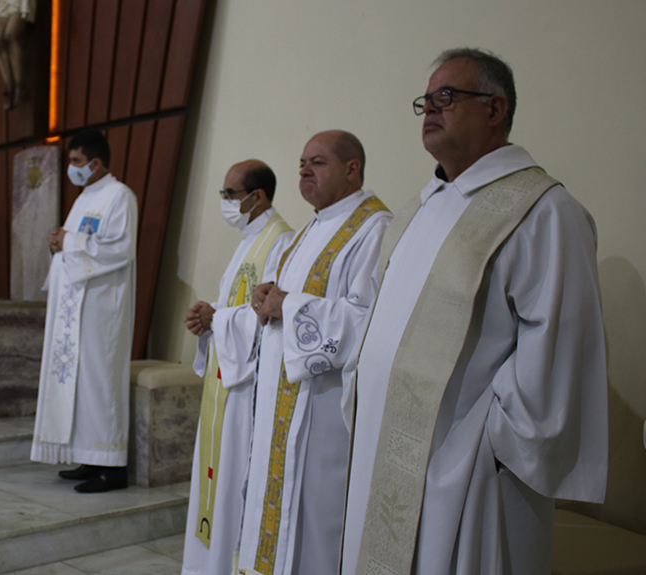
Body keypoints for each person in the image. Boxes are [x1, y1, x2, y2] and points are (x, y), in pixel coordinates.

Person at [340, 49, 608, 575]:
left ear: (495, 108)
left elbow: (558, 349)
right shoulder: (423, 207)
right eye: (427, 101)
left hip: (464, 468)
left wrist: (482, 444)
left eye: (448, 97)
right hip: (384, 449)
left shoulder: (544, 211)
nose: (431, 109)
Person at [241, 131, 392, 575]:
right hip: (281, 403)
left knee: (316, 522)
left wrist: (287, 304)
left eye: (318, 162)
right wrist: (267, 296)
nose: (305, 170)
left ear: (352, 169)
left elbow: (369, 321)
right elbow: (285, 296)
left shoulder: (373, 228)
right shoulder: (309, 229)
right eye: (302, 163)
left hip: (323, 408)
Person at [181, 160, 294, 575]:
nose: (225, 202)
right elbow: (236, 306)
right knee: (214, 481)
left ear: (257, 197)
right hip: (226, 378)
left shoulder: (280, 241)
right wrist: (206, 321)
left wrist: (219, 320)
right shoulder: (250, 239)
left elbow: (268, 315)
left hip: (247, 389)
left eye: (230, 194)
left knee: (231, 485)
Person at [30, 130, 138, 493]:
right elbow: (76, 245)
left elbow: (120, 249)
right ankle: (90, 456)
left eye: (76, 162)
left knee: (99, 380)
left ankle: (112, 467)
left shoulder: (120, 196)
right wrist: (58, 245)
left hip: (101, 306)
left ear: (95, 163)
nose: (71, 169)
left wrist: (70, 242)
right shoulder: (86, 197)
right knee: (77, 380)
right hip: (75, 305)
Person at [0, 0, 36, 110]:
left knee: (9, 38)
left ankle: (19, 85)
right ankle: (8, 84)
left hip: (19, 3)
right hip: (5, 3)